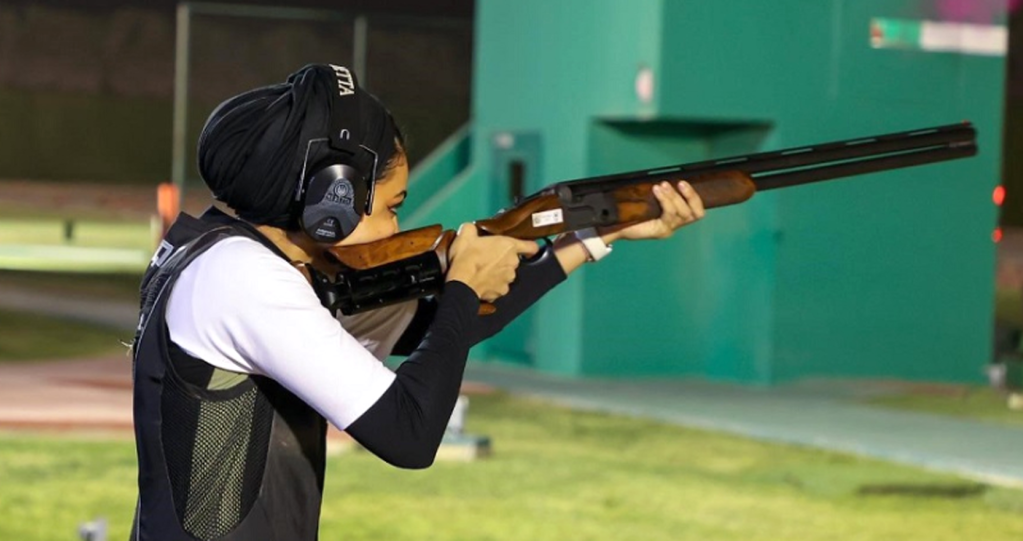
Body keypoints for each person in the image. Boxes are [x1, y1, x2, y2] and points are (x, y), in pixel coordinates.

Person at [129, 64, 704, 541]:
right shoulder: (244, 278)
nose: (395, 225)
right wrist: (460, 285)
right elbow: (408, 435)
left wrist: (592, 237)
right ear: (334, 199)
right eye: (392, 205)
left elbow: (438, 330)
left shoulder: (234, 256)